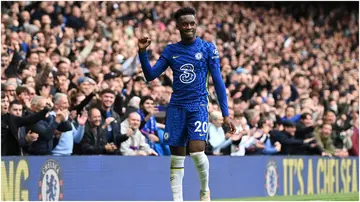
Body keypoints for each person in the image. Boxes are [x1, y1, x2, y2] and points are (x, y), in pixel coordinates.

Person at [137, 7, 235, 201]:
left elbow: (218, 82)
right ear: (178, 26)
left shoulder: (208, 49)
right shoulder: (171, 50)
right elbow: (150, 75)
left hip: (198, 106)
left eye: (192, 23)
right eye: (185, 23)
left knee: (197, 152)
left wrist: (226, 114)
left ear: (196, 24)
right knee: (176, 158)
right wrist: (142, 52)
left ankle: (205, 190)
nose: (189, 26)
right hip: (176, 108)